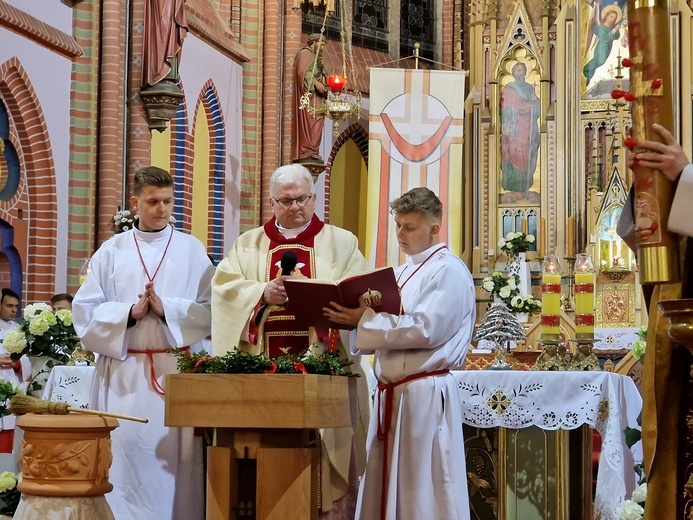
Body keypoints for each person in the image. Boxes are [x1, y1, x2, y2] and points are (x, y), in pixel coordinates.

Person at [211, 163, 370, 517]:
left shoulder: (341, 243)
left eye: (302, 199)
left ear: (314, 197)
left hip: (321, 374)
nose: (295, 207)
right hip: (261, 377)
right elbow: (224, 291)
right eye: (286, 201)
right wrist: (260, 293)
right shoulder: (248, 245)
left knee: (326, 462)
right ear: (272, 202)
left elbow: (362, 295)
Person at [323, 187, 476, 520]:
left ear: (434, 228)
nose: (401, 234)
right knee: (390, 485)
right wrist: (360, 315)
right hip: (394, 394)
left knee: (423, 487)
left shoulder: (448, 270)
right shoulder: (403, 272)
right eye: (398, 225)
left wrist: (363, 321)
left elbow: (426, 328)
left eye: (410, 226)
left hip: (423, 393)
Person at [73, 166, 214, 520]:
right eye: (153, 201)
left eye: (168, 201)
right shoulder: (111, 251)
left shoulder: (191, 249)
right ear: (135, 202)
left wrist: (170, 310)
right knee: (124, 463)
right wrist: (129, 314)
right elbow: (85, 312)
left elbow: (212, 311)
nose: (162, 209)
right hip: (124, 376)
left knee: (174, 468)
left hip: (175, 375)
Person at [500, 61, 541, 193]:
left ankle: (524, 186)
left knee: (527, 153)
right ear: (513, 73)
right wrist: (524, 107)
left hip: (527, 128)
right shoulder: (508, 89)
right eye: (518, 70)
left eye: (523, 70)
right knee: (513, 152)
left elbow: (538, 109)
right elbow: (504, 108)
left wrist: (535, 102)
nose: (521, 73)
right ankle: (512, 186)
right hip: (513, 128)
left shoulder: (530, 88)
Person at [0, 288, 29, 454]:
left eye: (16, 306)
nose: (13, 310)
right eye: (8, 305)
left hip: (11, 387)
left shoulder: (18, 329)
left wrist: (17, 363)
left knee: (9, 438)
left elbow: (28, 361)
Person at [293, 33, 328, 164]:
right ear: (313, 42)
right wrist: (316, 84)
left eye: (324, 45)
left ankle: (313, 151)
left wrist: (323, 68)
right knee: (310, 122)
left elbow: (322, 75)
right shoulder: (305, 54)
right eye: (321, 44)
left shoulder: (316, 57)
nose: (323, 47)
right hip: (308, 98)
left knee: (318, 123)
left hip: (318, 99)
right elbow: (302, 73)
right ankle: (307, 150)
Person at [583, 5, 623, 86]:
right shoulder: (601, 27)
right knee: (600, 61)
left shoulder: (611, 28)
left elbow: (616, 37)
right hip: (601, 48)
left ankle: (589, 76)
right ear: (606, 16)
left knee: (601, 62)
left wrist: (616, 30)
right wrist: (614, 30)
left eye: (615, 18)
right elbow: (605, 38)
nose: (613, 19)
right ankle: (586, 68)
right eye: (611, 17)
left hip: (607, 49)